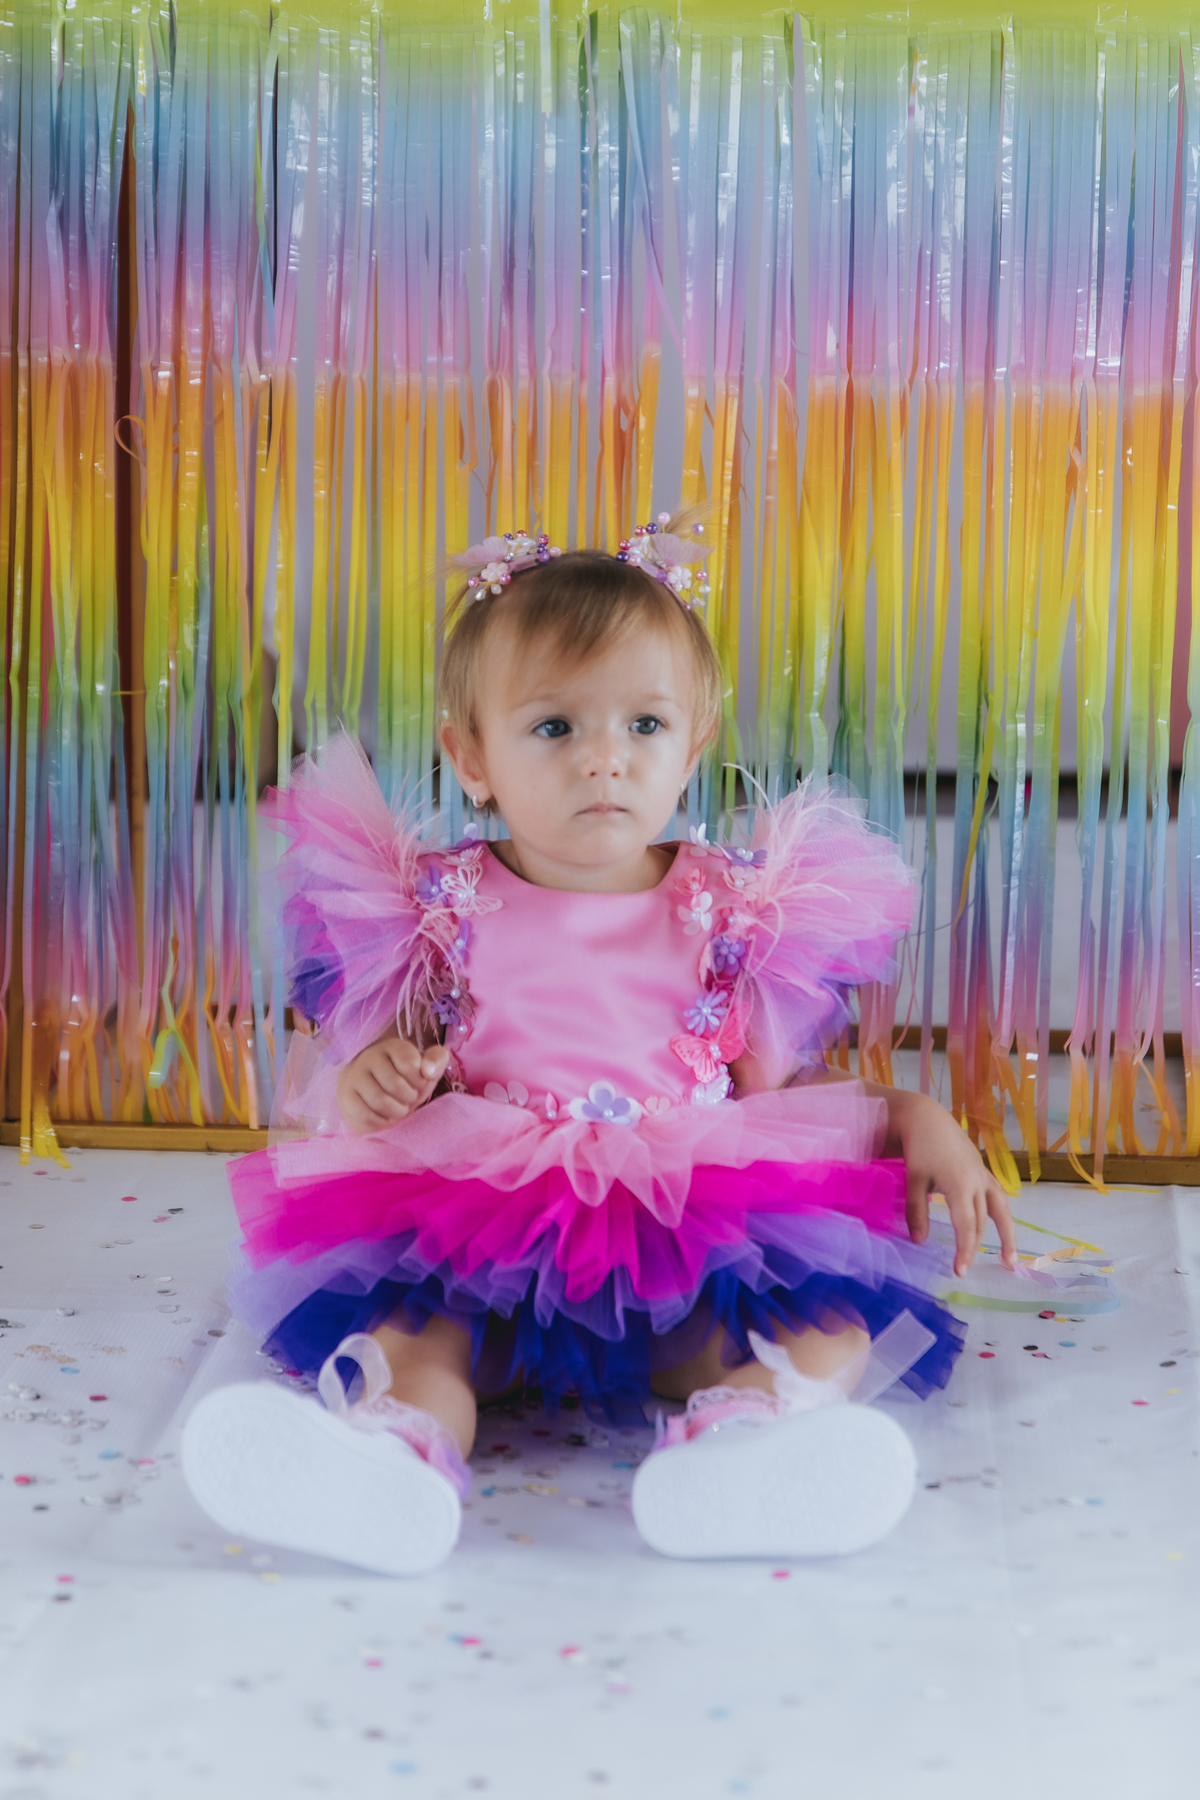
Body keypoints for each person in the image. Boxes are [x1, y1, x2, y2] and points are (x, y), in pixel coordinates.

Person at [182, 518, 1017, 1576]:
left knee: (826, 1326)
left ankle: (747, 1450)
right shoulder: (438, 903)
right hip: (481, 1236)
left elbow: (783, 1093)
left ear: (693, 745)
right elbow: (380, 1066)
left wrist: (915, 1116)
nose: (604, 758)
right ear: (471, 757)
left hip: (685, 1234)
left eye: (644, 723)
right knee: (415, 1335)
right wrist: (372, 1081)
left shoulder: (730, 908)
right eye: (553, 727)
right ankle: (386, 1460)